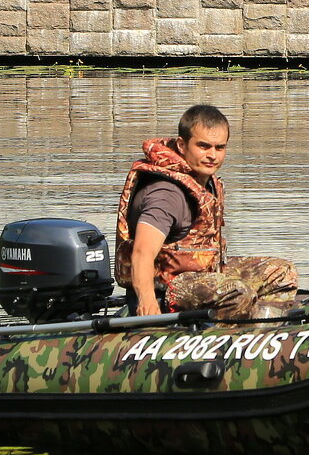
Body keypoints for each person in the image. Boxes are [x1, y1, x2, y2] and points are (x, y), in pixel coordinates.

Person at [113, 105, 298, 319]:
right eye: (204, 146)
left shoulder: (203, 179)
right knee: (236, 291)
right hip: (168, 290)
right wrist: (147, 302)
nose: (212, 156)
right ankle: (223, 338)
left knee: (281, 272)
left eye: (219, 148)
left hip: (205, 276)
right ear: (182, 145)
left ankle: (266, 331)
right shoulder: (165, 195)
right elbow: (141, 253)